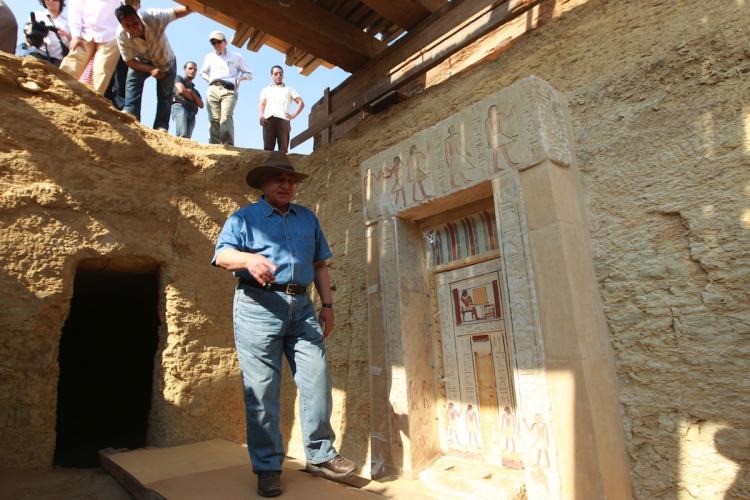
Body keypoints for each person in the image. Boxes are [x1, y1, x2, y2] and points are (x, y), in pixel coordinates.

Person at [212, 152, 356, 497]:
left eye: (290, 180)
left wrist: (329, 305)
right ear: (263, 185)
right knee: (262, 389)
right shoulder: (244, 218)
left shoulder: (307, 218)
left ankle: (321, 455)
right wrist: (248, 258)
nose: (286, 185)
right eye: (278, 179)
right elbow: (221, 255)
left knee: (317, 377)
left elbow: (320, 264)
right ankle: (267, 466)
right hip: (258, 305)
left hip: (303, 306)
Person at [115, 3, 191, 131]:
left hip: (166, 61)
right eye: (127, 26)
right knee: (132, 81)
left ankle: (161, 126)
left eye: (135, 23)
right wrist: (150, 69)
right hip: (142, 61)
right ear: (123, 26)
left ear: (138, 17)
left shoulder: (152, 16)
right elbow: (129, 61)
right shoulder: (121, 35)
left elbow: (176, 13)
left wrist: (192, 8)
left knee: (165, 96)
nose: (133, 28)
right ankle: (131, 113)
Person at [200, 31, 252, 146]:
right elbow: (202, 72)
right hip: (213, 88)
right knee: (213, 119)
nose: (216, 44)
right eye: (213, 43)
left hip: (229, 89)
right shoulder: (209, 57)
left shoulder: (236, 57)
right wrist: (209, 80)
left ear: (225, 42)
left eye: (218, 41)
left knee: (225, 117)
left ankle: (228, 145)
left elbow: (249, 74)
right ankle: (214, 146)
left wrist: (239, 79)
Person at [60, 0, 121, 95]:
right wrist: (75, 34)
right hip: (85, 32)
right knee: (72, 63)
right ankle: (56, 90)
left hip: (112, 34)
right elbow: (75, 8)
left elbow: (129, 5)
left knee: (101, 73)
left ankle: (90, 103)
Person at [258, 65, 304, 153]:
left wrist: (293, 115)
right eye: (276, 74)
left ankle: (282, 166)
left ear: (283, 75)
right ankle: (268, 167)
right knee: (268, 149)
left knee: (283, 150)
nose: (278, 75)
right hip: (268, 121)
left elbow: (301, 103)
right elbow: (262, 104)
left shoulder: (289, 89)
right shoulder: (266, 89)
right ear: (272, 76)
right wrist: (261, 116)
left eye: (280, 73)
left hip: (284, 121)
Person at [33, 0, 70, 66]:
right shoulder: (37, 16)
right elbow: (29, 40)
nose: (51, 1)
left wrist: (65, 35)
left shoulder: (69, 21)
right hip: (40, 58)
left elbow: (75, 45)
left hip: (60, 63)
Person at [172, 61, 203, 138]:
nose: (193, 71)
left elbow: (201, 105)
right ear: (185, 69)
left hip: (192, 112)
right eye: (190, 68)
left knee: (187, 139)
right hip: (180, 107)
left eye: (195, 70)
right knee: (182, 135)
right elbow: (181, 90)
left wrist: (191, 93)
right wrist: (194, 99)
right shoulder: (178, 78)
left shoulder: (194, 90)